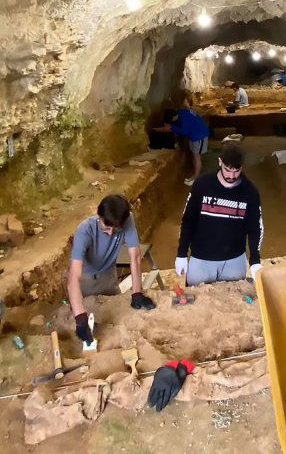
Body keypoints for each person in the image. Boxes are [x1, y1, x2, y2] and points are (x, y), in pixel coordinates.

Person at [67, 195, 156, 348]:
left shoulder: (127, 220)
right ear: (99, 216)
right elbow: (74, 276)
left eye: (115, 229)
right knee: (91, 321)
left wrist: (137, 293)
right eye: (106, 227)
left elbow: (134, 256)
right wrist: (80, 318)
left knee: (114, 319)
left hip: (109, 275)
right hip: (85, 279)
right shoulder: (84, 230)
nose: (110, 233)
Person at [175, 142, 265, 285]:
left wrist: (255, 260)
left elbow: (255, 228)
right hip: (201, 259)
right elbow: (188, 220)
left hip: (234, 260)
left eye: (237, 170)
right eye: (227, 170)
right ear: (220, 162)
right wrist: (181, 253)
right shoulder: (202, 185)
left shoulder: (250, 192)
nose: (232, 175)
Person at [156, 106, 210, 185]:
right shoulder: (182, 112)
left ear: (173, 117)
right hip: (194, 135)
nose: (172, 122)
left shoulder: (184, 119)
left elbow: (184, 132)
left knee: (197, 158)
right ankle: (194, 176)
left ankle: (196, 178)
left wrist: (172, 127)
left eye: (171, 120)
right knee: (194, 156)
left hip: (200, 136)